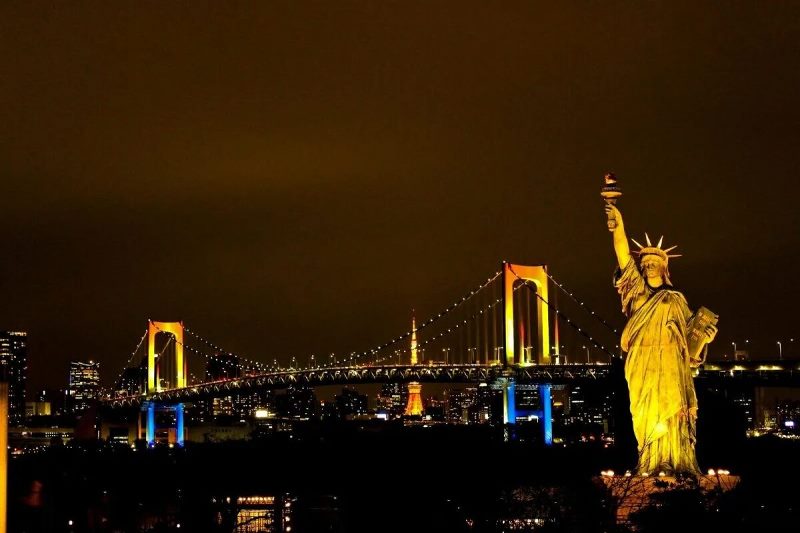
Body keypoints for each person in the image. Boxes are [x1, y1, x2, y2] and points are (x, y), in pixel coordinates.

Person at [605, 203, 717, 475]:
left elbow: (690, 342)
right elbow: (622, 255)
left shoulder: (676, 299)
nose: (650, 266)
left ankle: (675, 461)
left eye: (655, 263)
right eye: (646, 263)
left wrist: (705, 338)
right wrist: (618, 225)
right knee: (646, 413)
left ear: (664, 267)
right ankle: (650, 461)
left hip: (670, 363)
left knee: (673, 411)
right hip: (642, 361)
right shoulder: (636, 292)